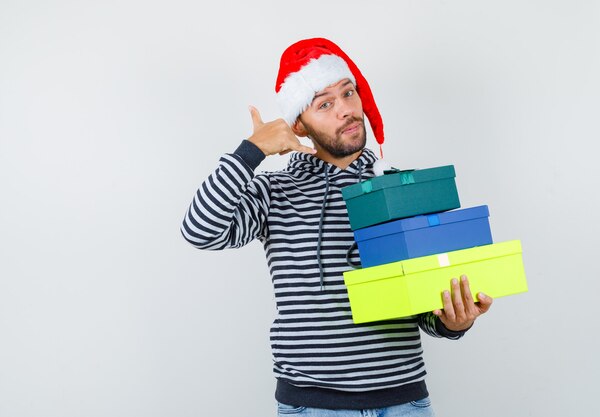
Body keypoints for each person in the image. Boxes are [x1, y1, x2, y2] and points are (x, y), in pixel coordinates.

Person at [181, 38, 492, 416]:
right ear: (299, 123)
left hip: (402, 402)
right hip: (312, 407)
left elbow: (423, 304)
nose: (346, 110)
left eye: (349, 93)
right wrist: (252, 151)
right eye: (325, 103)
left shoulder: (399, 187)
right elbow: (200, 230)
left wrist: (451, 322)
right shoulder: (274, 192)